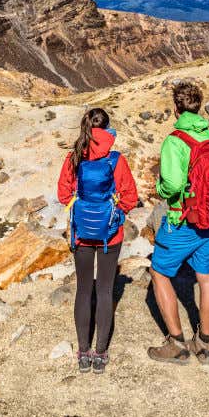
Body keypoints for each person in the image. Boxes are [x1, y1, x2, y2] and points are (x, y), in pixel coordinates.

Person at [147, 82, 209, 365]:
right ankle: (204, 345)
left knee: (159, 273)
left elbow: (174, 184)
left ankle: (177, 344)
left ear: (176, 108)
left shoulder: (175, 140)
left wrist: (163, 189)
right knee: (205, 278)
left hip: (183, 221)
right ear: (199, 105)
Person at [57, 107, 139, 374]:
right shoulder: (116, 160)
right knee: (104, 290)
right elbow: (130, 197)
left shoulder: (74, 157)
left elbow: (62, 194)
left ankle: (83, 352)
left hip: (82, 233)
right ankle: (101, 353)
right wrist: (114, 213)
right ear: (108, 129)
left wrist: (79, 206)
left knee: (84, 289)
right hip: (110, 235)